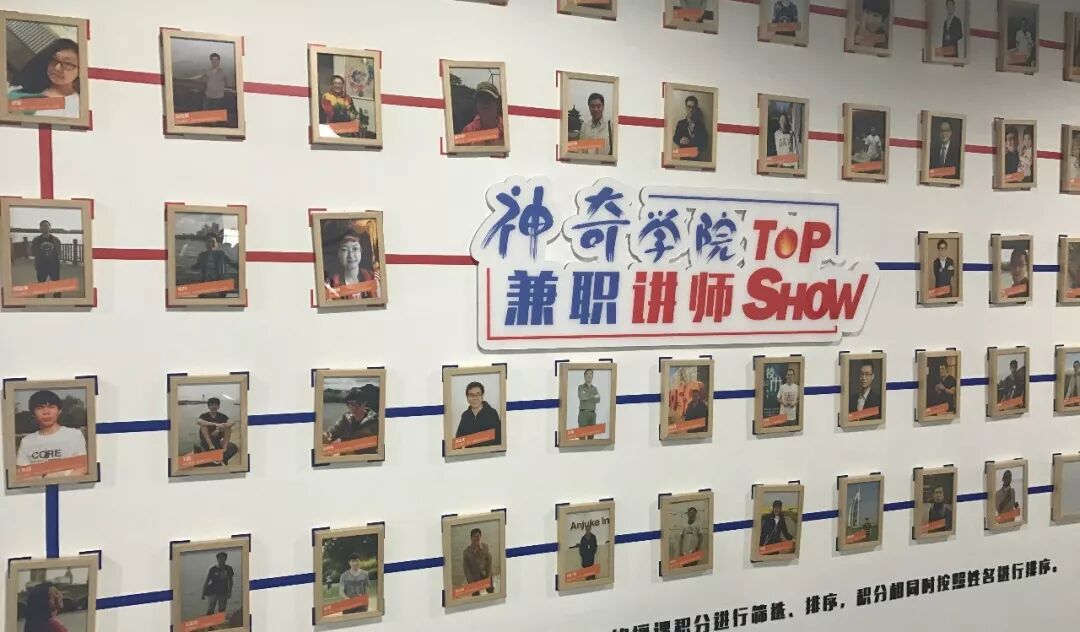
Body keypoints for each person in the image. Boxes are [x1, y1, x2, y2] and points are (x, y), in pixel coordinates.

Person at [15, 390, 88, 478]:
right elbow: (23, 474)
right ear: (33, 413)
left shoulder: (74, 435)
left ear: (59, 410)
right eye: (40, 408)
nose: (46, 412)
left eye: (51, 407)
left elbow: (82, 468)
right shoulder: (27, 441)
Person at [6, 38, 81, 118]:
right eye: (54, 60)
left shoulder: (76, 107)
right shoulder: (21, 88)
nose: (57, 68)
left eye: (68, 64)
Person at [323, 222, 377, 300]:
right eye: (344, 249)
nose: (350, 255)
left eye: (355, 249)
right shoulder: (330, 284)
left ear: (361, 251)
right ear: (338, 253)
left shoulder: (374, 279)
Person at [323, 388, 379, 455]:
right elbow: (335, 430)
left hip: (365, 456)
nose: (355, 407)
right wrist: (328, 435)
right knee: (323, 451)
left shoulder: (375, 421)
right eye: (351, 404)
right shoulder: (346, 418)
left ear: (364, 403)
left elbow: (377, 442)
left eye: (358, 403)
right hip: (344, 452)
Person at [454, 381, 502, 448]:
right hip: (470, 453)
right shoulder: (465, 415)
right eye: (471, 395)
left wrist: (469, 439)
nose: (474, 398)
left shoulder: (492, 413)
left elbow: (498, 439)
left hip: (488, 453)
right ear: (467, 398)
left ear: (482, 396)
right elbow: (458, 442)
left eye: (478, 394)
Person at [196, 397, 239, 465]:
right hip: (206, 439)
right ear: (208, 406)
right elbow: (198, 421)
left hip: (217, 438)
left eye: (215, 405)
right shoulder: (204, 415)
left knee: (228, 427)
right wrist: (215, 424)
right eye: (211, 405)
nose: (213, 407)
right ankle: (211, 446)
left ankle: (224, 448)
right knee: (203, 425)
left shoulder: (222, 416)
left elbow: (232, 422)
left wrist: (219, 428)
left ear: (218, 406)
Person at [459, 81, 503, 146]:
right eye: (481, 100)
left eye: (489, 99)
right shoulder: (468, 130)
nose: (485, 104)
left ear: (497, 104)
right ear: (476, 105)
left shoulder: (507, 128)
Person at [31, 220, 64, 298]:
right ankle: (41, 300)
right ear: (40, 228)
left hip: (54, 266)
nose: (45, 227)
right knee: (41, 284)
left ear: (50, 227)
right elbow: (32, 252)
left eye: (46, 225)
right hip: (41, 265)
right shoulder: (36, 240)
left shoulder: (56, 239)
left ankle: (57, 299)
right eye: (43, 226)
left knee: (56, 284)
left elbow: (59, 252)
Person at [673, 95, 709, 161]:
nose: (691, 110)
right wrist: (679, 140)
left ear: (696, 108)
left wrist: (688, 151)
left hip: (696, 162)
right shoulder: (680, 123)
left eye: (693, 107)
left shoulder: (701, 126)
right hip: (683, 161)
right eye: (689, 107)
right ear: (686, 108)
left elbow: (704, 144)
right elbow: (675, 139)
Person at [461, 528, 494, 596]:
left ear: (480, 537)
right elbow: (466, 570)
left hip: (485, 575)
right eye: (474, 536)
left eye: (478, 536)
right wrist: (471, 584)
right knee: (476, 595)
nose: (476, 538)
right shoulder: (466, 552)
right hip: (474, 578)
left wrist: (488, 577)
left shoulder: (485, 547)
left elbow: (489, 562)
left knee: (491, 592)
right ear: (471, 538)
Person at [202, 552, 234, 617]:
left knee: (222, 609)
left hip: (224, 591)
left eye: (223, 558)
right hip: (212, 591)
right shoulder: (212, 569)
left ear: (225, 559)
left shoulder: (229, 568)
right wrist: (202, 593)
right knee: (210, 608)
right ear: (217, 559)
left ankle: (220, 621)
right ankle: (209, 622)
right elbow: (206, 581)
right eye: (220, 558)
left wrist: (230, 592)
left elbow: (230, 581)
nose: (221, 560)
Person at [575, 369, 601, 438]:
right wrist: (593, 396)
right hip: (583, 414)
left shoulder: (595, 388)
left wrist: (587, 395)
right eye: (587, 374)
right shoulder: (581, 387)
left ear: (592, 376)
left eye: (591, 374)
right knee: (582, 437)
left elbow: (598, 400)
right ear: (584, 376)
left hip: (592, 415)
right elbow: (582, 397)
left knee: (591, 437)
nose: (589, 376)